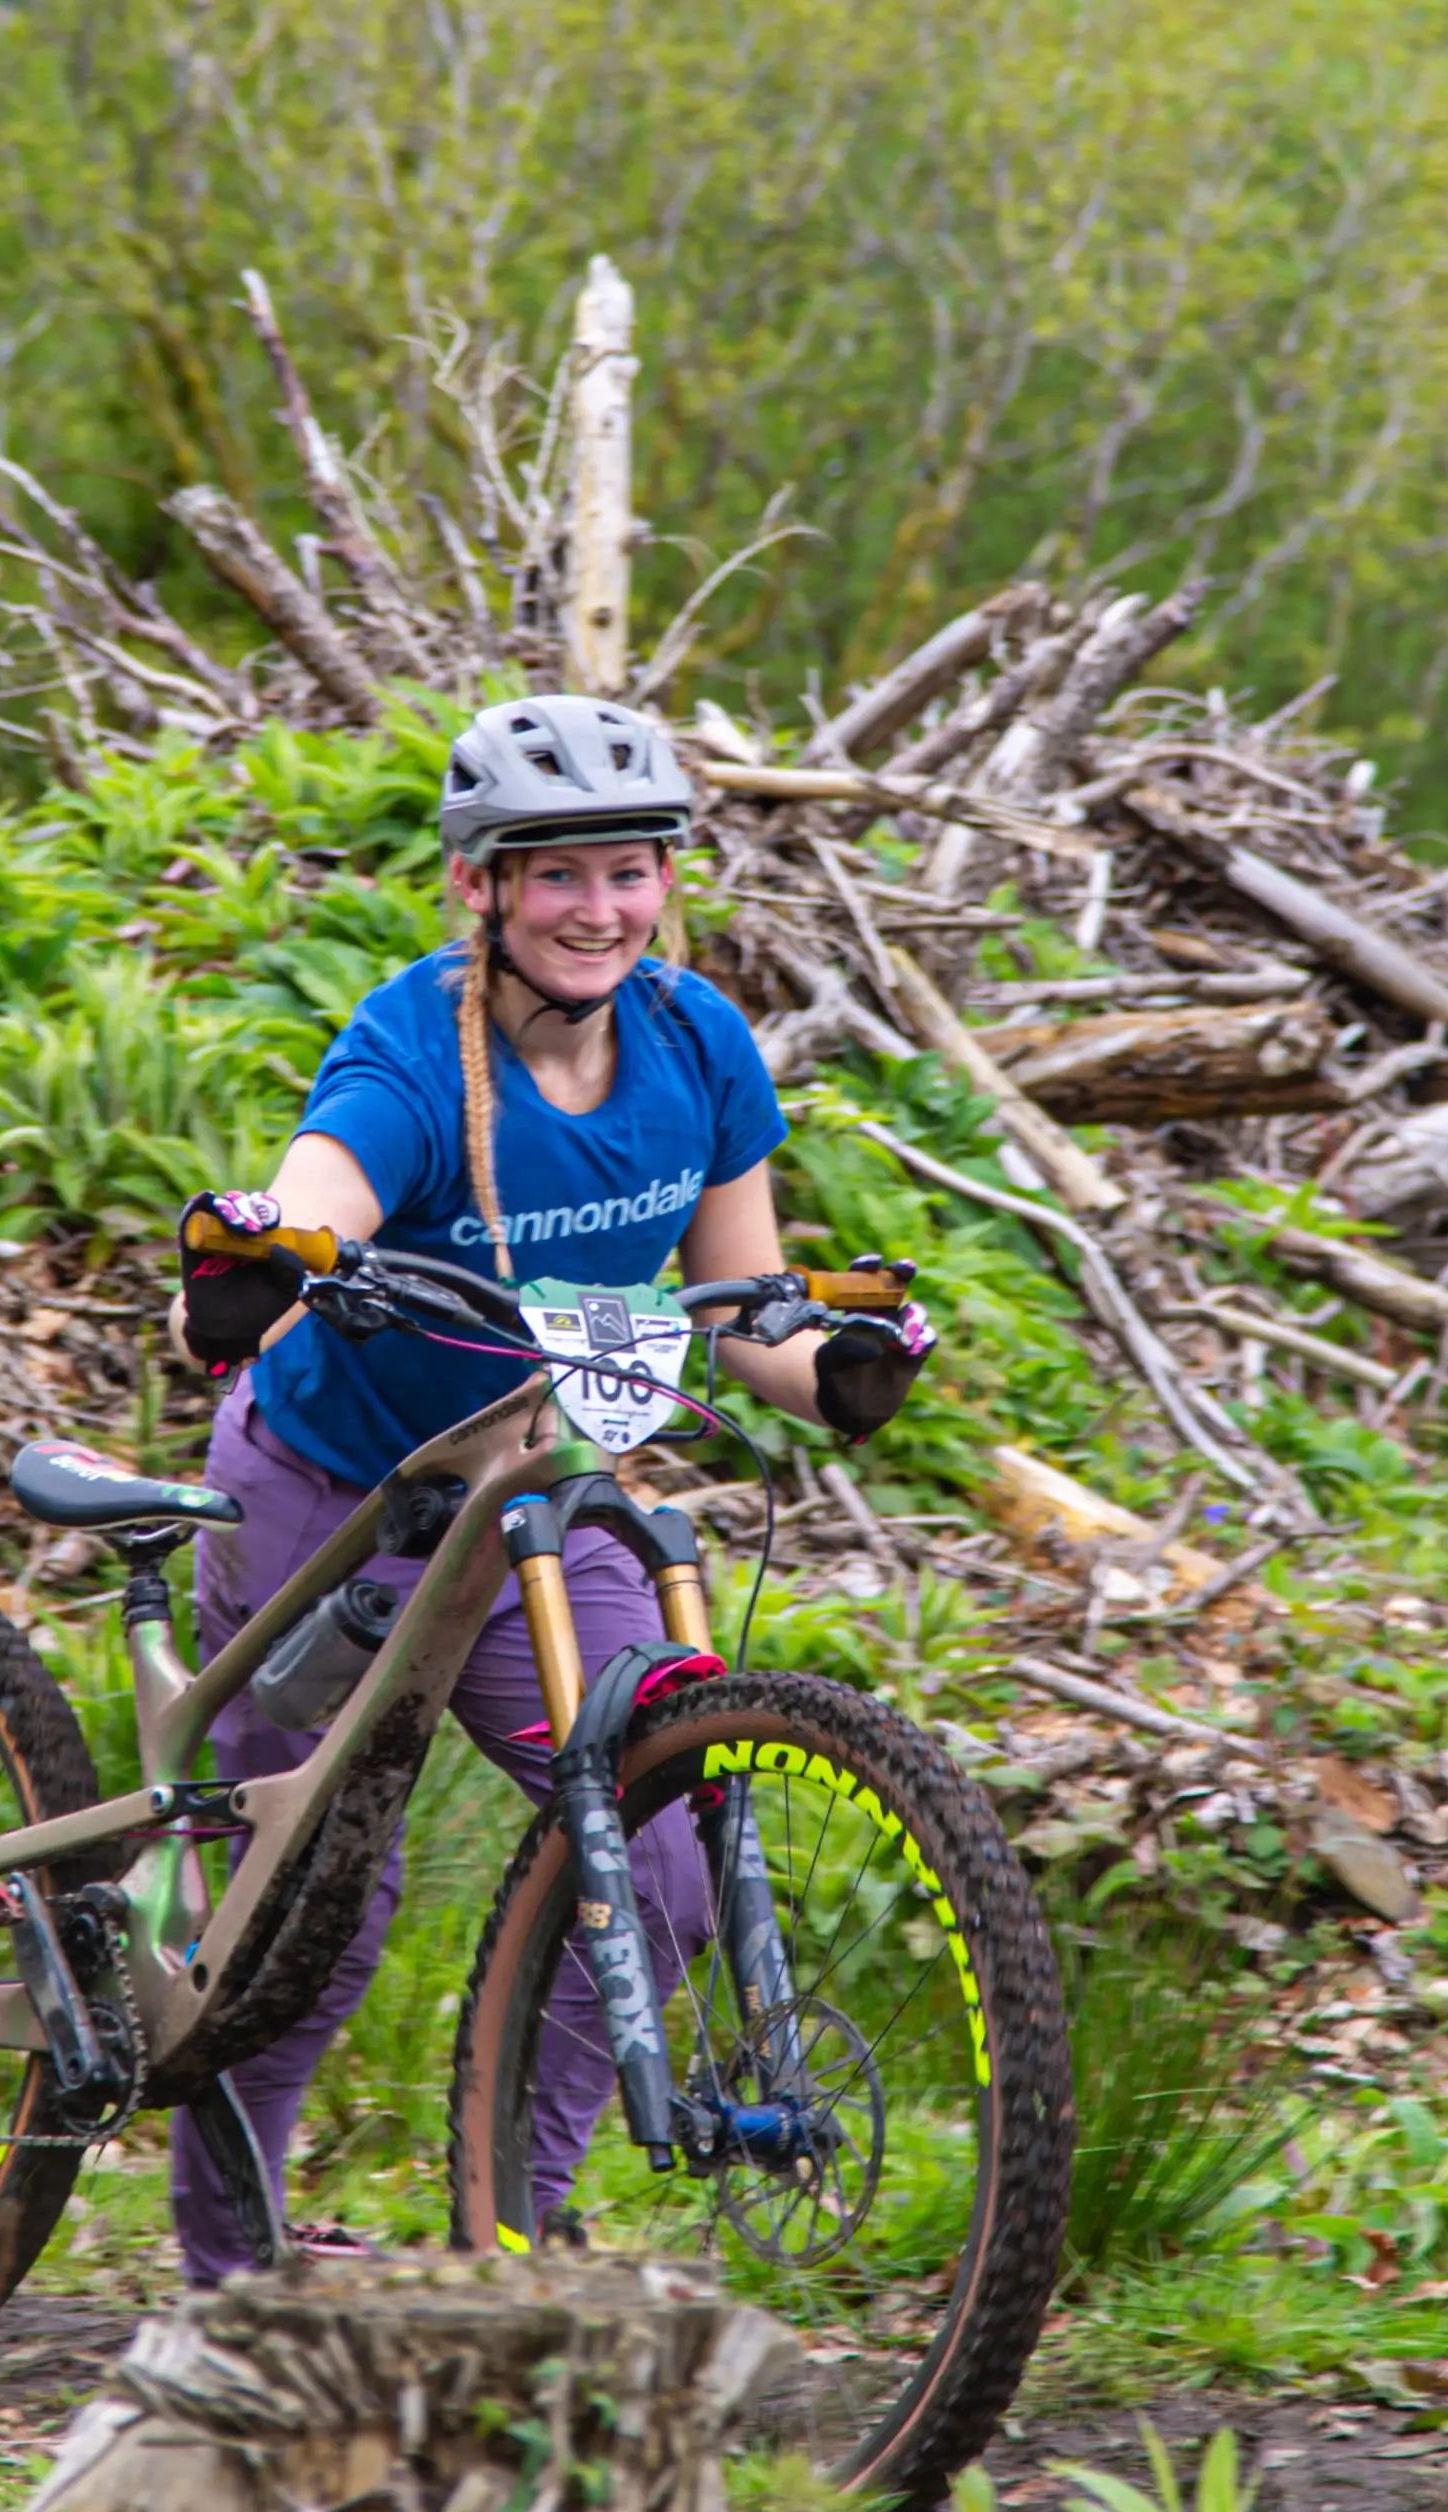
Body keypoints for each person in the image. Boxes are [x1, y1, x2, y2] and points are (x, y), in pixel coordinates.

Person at [159, 692, 923, 2282]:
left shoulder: (698, 1043)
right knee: (313, 1914)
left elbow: (749, 1304)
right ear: (482, 888)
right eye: (558, 875)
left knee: (658, 1852)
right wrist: (248, 1271)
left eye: (630, 872)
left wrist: (835, 1362)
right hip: (337, 1497)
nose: (600, 911)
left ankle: (518, 2238)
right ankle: (234, 2292)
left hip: (537, 1496)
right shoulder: (410, 1048)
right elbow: (318, 1198)